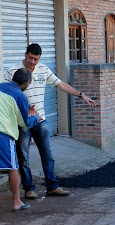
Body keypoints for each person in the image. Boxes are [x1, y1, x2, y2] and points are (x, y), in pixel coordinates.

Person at [5, 43, 97, 199]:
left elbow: (61, 84)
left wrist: (80, 94)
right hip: (22, 122)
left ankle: (52, 187)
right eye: (30, 58)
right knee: (23, 157)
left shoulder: (44, 70)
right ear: (25, 54)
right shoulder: (13, 71)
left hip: (41, 120)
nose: (32, 62)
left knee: (48, 155)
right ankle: (29, 189)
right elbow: (6, 92)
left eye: (36, 59)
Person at [0, 68, 40, 211]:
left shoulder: (0, 86)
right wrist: (36, 117)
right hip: (4, 135)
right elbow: (25, 123)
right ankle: (17, 202)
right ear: (24, 83)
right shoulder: (20, 96)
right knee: (12, 168)